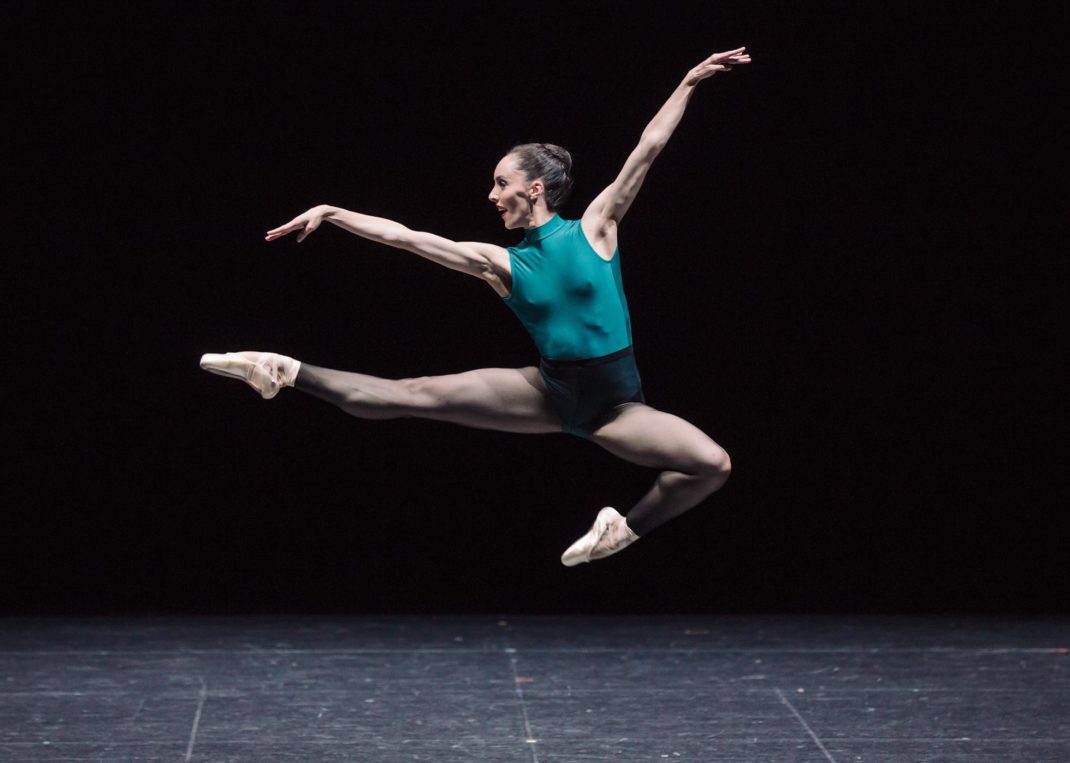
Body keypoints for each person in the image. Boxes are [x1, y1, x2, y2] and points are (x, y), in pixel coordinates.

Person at [201, 47, 751, 566]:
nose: (492, 195)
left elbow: (647, 147)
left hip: (616, 408)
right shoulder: (499, 263)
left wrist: (689, 81)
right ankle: (284, 370)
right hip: (551, 391)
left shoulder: (596, 227)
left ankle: (622, 530)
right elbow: (407, 237)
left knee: (711, 464)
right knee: (412, 395)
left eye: (501, 182)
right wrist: (333, 210)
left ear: (534, 188)